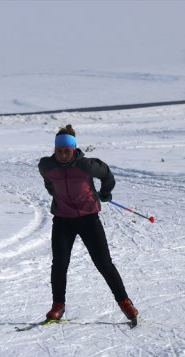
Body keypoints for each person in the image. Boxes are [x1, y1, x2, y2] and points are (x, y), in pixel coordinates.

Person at [38, 125, 139, 323]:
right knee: (59, 264)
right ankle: (58, 305)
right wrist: (57, 197)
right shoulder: (46, 166)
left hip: (88, 218)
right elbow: (49, 183)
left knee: (104, 263)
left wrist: (106, 192)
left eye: (66, 151)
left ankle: (125, 302)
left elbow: (107, 175)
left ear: (74, 149)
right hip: (62, 220)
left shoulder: (87, 165)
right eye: (59, 151)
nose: (63, 155)